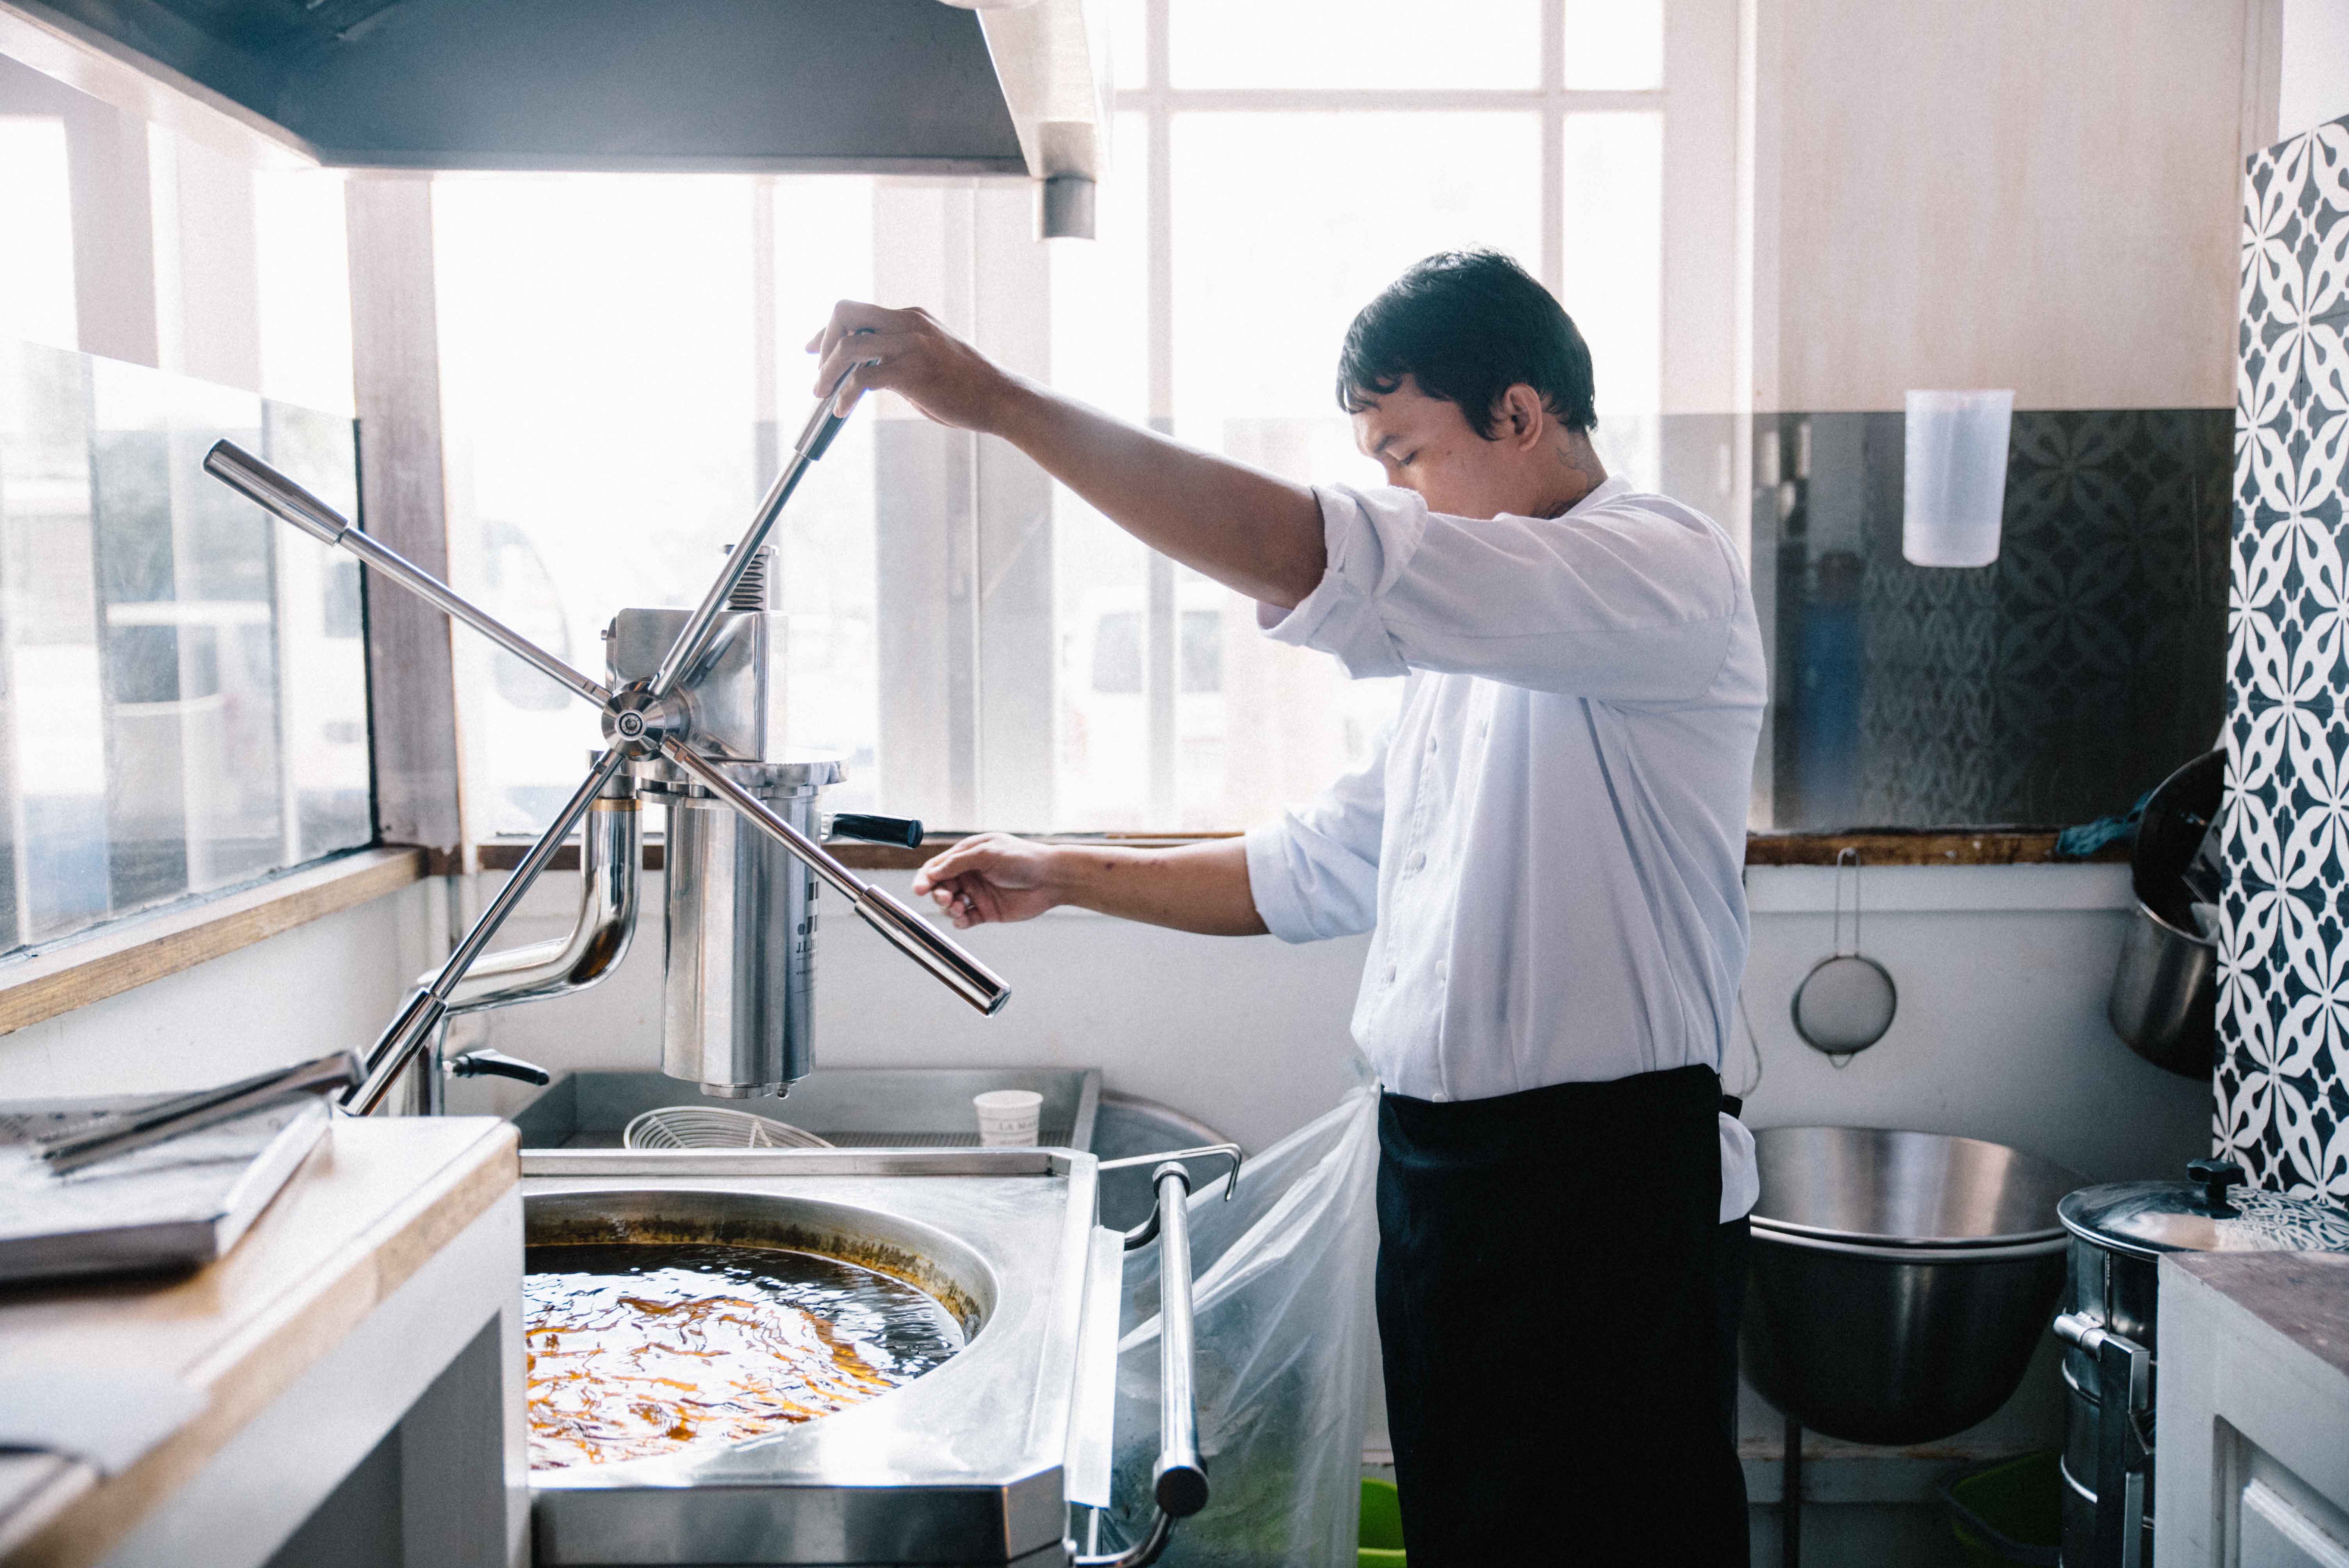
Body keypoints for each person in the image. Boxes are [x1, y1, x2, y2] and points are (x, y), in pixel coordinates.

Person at [809, 248, 1764, 1565]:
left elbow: (1311, 552)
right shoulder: (1473, 651)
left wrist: (1000, 402)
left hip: (1600, 1191)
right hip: (1448, 1186)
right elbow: (1315, 868)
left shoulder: (1655, 574)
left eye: (1409, 451)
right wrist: (1066, 869)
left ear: (1522, 413)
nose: (1398, 491)